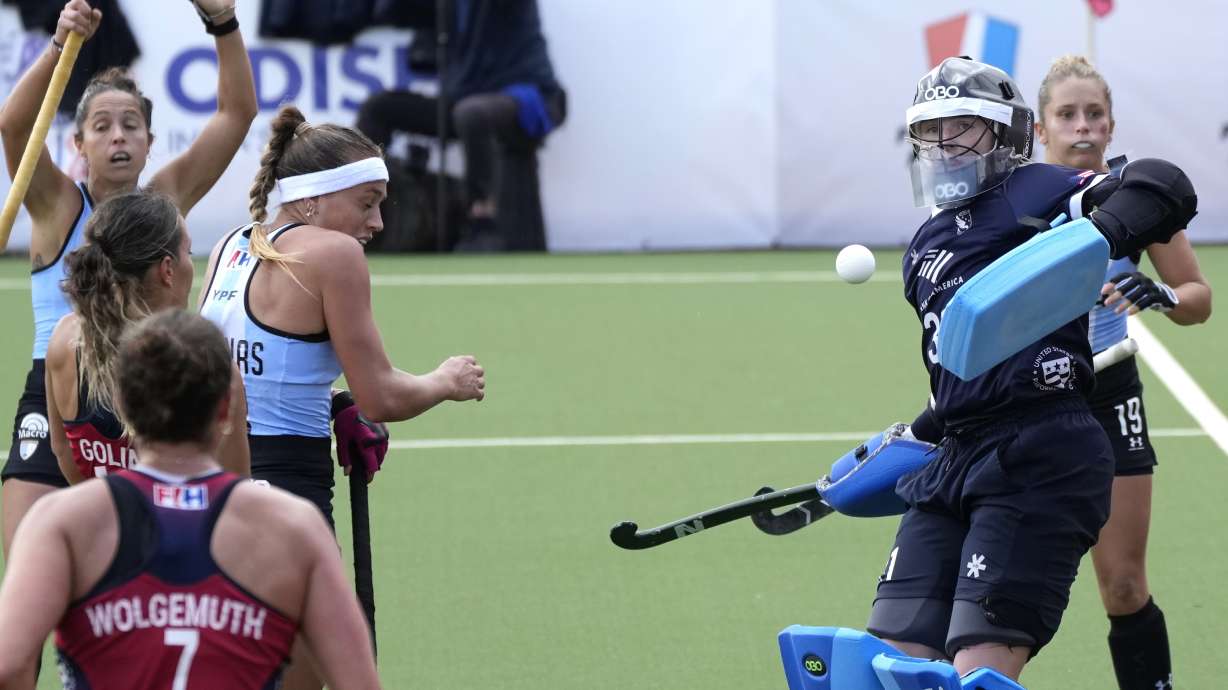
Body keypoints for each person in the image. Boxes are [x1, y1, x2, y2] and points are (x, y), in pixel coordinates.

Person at [866, 57, 1197, 681]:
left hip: (1042, 447)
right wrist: (888, 453)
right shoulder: (924, 249)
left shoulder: (1040, 194)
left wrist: (1088, 237)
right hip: (957, 458)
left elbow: (1165, 184)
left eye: (962, 126)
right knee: (887, 664)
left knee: (978, 665)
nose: (943, 143)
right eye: (931, 129)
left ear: (1008, 134)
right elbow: (961, 379)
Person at [199, 104, 486, 688]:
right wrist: (444, 381)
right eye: (367, 202)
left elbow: (250, 368)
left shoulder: (230, 242)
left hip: (204, 482)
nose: (377, 222)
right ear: (311, 201)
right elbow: (380, 396)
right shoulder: (335, 256)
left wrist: (331, 402)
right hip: (286, 488)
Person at [0, 309, 380, 689]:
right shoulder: (291, 527)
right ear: (225, 407)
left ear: (123, 401)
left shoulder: (62, 521)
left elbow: (9, 665)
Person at [0, 0, 256, 564]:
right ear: (79, 143)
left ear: (147, 140)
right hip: (58, 381)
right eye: (102, 126)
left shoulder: (164, 200)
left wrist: (224, 23)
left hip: (146, 382)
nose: (118, 137)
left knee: (146, 565)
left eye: (131, 125)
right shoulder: (57, 206)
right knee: (26, 573)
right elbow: (15, 126)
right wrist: (59, 46)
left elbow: (236, 114)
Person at [1035, 54, 1212, 690]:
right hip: (1027, 398)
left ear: (1111, 126)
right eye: (1067, 115)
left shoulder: (1135, 198)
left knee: (1125, 583)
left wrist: (1161, 297)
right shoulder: (1014, 200)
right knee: (1005, 583)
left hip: (1109, 392)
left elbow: (1198, 297)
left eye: (1094, 114)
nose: (1082, 126)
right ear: (1040, 128)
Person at [46, 190, 251, 484]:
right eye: (188, 254)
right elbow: (233, 491)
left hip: (107, 525)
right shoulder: (207, 364)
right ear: (168, 269)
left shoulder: (65, 339)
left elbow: (63, 449)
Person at [355, 0, 566, 251]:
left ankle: (482, 219)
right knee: (379, 109)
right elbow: (396, 12)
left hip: (526, 95)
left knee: (472, 114)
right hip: (463, 99)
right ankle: (362, 212)